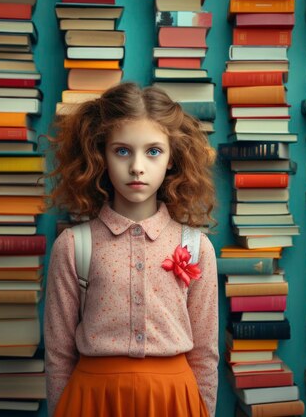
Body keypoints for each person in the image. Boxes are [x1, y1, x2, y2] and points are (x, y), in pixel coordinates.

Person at [44, 82, 219, 417]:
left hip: (174, 400)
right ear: (101, 155)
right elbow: (58, 352)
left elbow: (205, 354)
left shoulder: (196, 248)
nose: (137, 166)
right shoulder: (73, 246)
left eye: (153, 151)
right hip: (92, 399)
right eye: (122, 151)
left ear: (171, 160)